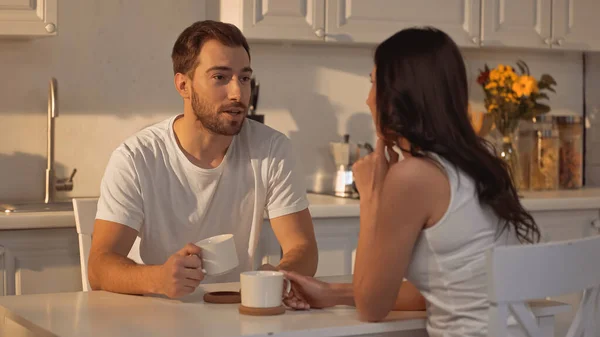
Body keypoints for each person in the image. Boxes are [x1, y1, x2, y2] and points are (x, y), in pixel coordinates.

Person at [282, 27, 540, 337]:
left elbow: (371, 309)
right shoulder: (481, 161)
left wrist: (370, 199)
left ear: (396, 98)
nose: (367, 100)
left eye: (373, 84)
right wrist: (332, 293)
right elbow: (443, 286)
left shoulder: (414, 177)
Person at [87, 20, 318, 300]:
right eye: (220, 77)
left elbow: (303, 248)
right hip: (154, 315)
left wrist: (281, 277)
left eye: (244, 78)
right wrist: (159, 278)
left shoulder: (271, 149)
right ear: (183, 85)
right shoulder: (137, 158)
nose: (237, 93)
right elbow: (99, 267)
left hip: (237, 313)